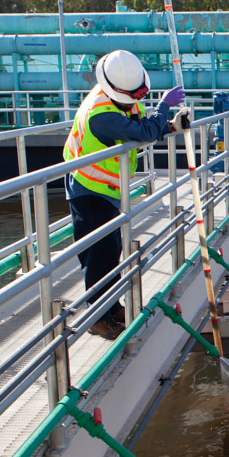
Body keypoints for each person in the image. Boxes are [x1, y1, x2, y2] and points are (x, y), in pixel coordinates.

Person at [64, 49, 186, 339]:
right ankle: (97, 316)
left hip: (104, 189)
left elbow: (142, 127)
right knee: (99, 254)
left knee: (111, 250)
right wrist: (164, 109)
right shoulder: (102, 115)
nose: (136, 102)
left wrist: (168, 126)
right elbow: (142, 132)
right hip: (89, 189)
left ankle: (111, 305)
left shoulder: (116, 99)